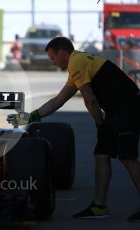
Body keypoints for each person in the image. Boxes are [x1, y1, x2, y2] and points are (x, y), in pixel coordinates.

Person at [27, 36, 140, 221]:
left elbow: (90, 100)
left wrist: (99, 124)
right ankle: (99, 206)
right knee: (102, 154)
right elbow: (58, 100)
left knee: (128, 157)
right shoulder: (78, 64)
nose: (53, 63)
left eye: (53, 58)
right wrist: (29, 117)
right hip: (116, 111)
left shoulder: (76, 62)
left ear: (62, 52)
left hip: (129, 108)